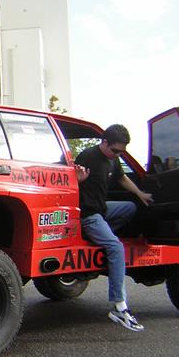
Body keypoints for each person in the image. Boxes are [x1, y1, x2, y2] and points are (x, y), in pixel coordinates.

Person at [75, 124, 153, 332]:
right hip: (88, 215)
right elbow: (69, 181)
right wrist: (78, 180)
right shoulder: (87, 156)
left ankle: (103, 236)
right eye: (115, 150)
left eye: (121, 152)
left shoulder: (113, 159)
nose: (117, 155)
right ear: (104, 142)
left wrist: (139, 193)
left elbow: (121, 177)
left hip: (102, 210)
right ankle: (119, 307)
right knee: (116, 248)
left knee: (129, 207)